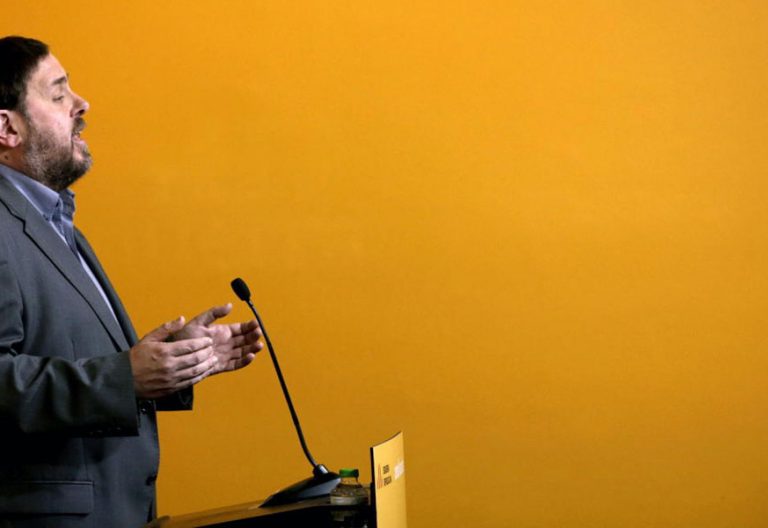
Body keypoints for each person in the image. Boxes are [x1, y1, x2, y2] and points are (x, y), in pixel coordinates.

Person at [0, 36, 263, 527]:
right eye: (58, 94)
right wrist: (125, 377)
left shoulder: (54, 221)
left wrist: (171, 364)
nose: (81, 104)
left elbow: (72, 359)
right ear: (7, 128)